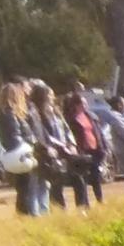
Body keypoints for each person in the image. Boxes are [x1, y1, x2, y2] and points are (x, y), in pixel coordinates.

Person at [29, 81, 88, 210]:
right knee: (56, 183)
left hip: (65, 150)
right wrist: (52, 146)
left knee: (78, 178)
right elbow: (42, 134)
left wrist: (71, 143)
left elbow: (66, 129)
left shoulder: (56, 111)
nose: (52, 97)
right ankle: (60, 211)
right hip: (52, 151)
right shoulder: (38, 113)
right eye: (49, 94)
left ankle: (83, 208)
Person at [0, 81, 44, 216]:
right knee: (25, 189)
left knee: (25, 189)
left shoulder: (7, 113)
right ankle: (26, 216)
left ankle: (25, 215)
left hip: (20, 154)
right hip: (21, 155)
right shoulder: (10, 114)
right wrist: (30, 143)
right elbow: (15, 136)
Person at [63, 84, 105, 204]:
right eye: (83, 103)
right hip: (82, 151)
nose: (86, 105)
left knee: (96, 177)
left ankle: (100, 199)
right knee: (83, 179)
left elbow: (97, 132)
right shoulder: (72, 119)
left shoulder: (89, 116)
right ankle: (84, 203)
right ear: (76, 105)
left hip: (94, 150)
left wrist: (102, 147)